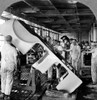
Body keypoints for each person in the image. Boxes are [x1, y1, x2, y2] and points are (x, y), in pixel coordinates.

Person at [0, 35, 17, 100]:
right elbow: (15, 60)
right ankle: (7, 95)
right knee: (9, 80)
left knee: (3, 79)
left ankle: (2, 93)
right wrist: (16, 67)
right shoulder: (13, 49)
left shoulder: (3, 47)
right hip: (10, 66)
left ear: (5, 40)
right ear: (11, 40)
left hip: (3, 65)